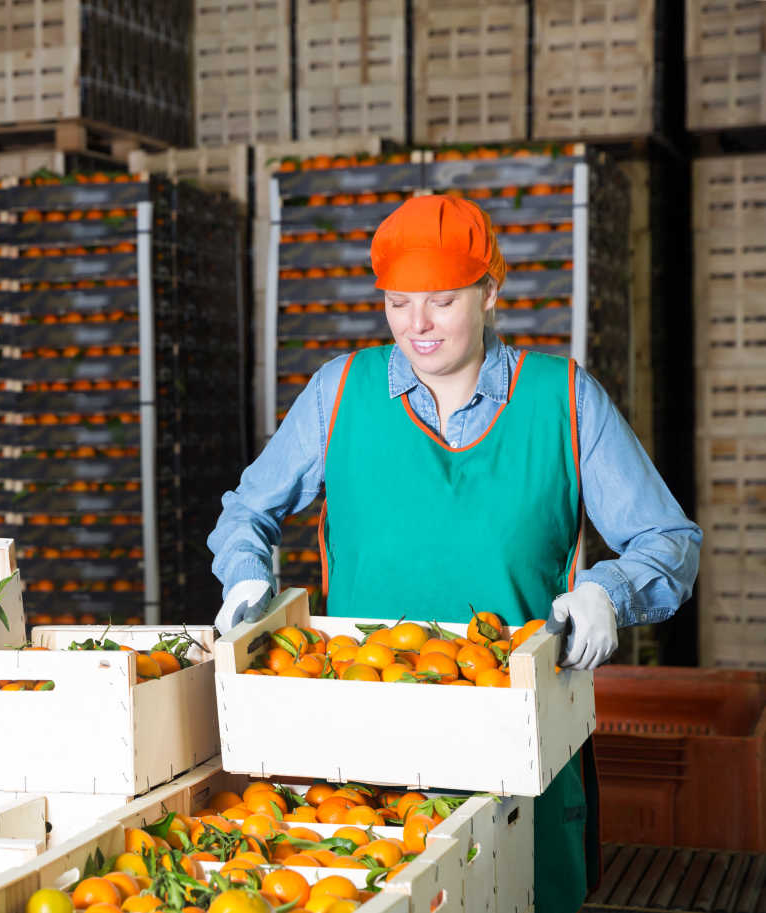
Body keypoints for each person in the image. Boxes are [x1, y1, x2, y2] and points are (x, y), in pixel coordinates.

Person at [208, 196, 700, 913]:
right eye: (399, 302)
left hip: (519, 747)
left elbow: (670, 540)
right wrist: (248, 580)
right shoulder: (338, 394)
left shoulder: (563, 399)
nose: (418, 324)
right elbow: (247, 510)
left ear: (491, 292)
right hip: (363, 746)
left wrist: (610, 590)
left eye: (442, 301)